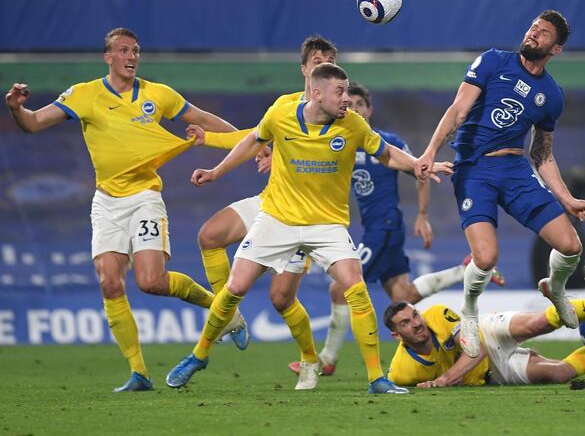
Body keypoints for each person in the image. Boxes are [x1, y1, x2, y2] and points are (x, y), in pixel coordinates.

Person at [165, 63, 453, 394]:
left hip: (326, 224)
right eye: (340, 92)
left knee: (354, 287)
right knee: (234, 287)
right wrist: (217, 171)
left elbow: (386, 154)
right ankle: (199, 355)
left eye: (348, 92)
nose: (347, 99)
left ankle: (376, 378)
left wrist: (416, 165)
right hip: (278, 218)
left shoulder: (352, 125)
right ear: (317, 93)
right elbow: (252, 140)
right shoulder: (281, 113)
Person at [4, 28, 247, 392]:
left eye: (135, 50)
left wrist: (248, 141)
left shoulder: (157, 94)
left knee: (150, 282)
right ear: (108, 57)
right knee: (109, 281)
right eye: (123, 50)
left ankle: (224, 312)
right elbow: (34, 124)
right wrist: (16, 108)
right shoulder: (84, 95)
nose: (131, 56)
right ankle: (139, 373)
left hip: (145, 198)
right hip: (105, 203)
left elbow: (205, 119)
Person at [287, 83, 505, 377]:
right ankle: (466, 270)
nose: (353, 109)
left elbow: (420, 171)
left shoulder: (385, 142)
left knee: (339, 287)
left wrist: (423, 215)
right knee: (404, 294)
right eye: (348, 104)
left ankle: (327, 359)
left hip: (384, 227)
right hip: (375, 228)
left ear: (369, 109)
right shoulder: (342, 140)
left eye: (359, 104)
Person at [414, 10, 585, 360]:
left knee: (570, 245)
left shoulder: (552, 95)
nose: (533, 35)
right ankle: (469, 312)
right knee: (486, 257)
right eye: (532, 28)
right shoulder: (493, 61)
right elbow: (458, 110)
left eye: (543, 34)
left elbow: (542, 154)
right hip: (474, 169)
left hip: (515, 169)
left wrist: (567, 198)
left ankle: (555, 289)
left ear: (555, 49)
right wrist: (430, 150)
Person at [186, 35, 339, 390]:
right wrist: (208, 142)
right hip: (271, 202)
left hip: (304, 214)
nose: (322, 66)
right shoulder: (284, 106)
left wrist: (288, 158)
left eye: (329, 60)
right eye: (317, 60)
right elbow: (253, 137)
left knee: (281, 298)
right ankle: (231, 317)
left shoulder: (337, 110)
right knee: (209, 235)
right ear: (304, 68)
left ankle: (309, 361)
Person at [382, 289, 585, 388]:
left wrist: (444, 380)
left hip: (486, 334)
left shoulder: (437, 314)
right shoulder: (402, 370)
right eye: (406, 323)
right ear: (396, 335)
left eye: (414, 315)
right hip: (495, 373)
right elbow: (387, 383)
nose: (417, 324)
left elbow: (475, 349)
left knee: (537, 323)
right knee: (562, 373)